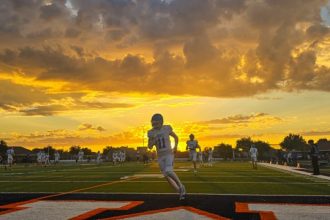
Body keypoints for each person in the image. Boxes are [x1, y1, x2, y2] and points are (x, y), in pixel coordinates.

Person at [148, 113, 186, 200]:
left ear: (161, 122)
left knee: (169, 171)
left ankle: (181, 186)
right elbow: (149, 146)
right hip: (160, 156)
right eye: (153, 123)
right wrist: (153, 140)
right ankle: (179, 191)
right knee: (166, 176)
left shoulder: (166, 128)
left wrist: (175, 146)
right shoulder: (151, 132)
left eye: (156, 123)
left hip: (168, 153)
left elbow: (176, 137)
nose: (154, 125)